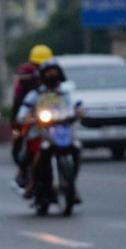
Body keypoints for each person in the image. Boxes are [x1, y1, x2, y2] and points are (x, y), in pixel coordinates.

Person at [16, 60, 82, 200]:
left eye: (54, 72)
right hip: (40, 133)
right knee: (38, 155)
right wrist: (29, 118)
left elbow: (76, 106)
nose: (52, 75)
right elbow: (22, 114)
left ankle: (71, 184)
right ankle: (33, 184)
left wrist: (78, 112)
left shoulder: (66, 93)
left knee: (76, 148)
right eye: (48, 73)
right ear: (42, 75)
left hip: (62, 132)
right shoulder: (35, 94)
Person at [11, 44, 53, 188]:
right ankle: (22, 173)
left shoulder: (55, 76)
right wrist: (18, 122)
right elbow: (18, 101)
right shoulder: (25, 76)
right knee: (22, 142)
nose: (40, 68)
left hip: (52, 117)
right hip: (28, 114)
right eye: (37, 64)